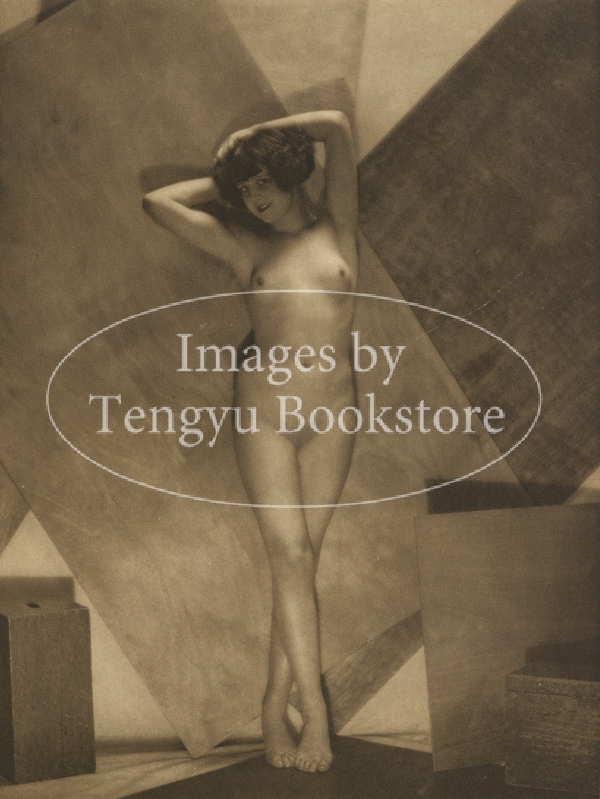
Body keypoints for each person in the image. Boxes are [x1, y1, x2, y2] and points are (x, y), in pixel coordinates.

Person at [143, 111, 358, 773]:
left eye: (264, 181)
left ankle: (272, 702)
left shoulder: (339, 224)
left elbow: (336, 127)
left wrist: (247, 141)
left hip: (335, 412)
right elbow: (157, 203)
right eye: (246, 188)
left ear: (292, 173)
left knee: (302, 563)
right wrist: (226, 176)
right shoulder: (244, 245)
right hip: (264, 415)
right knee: (289, 555)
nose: (255, 196)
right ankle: (312, 713)